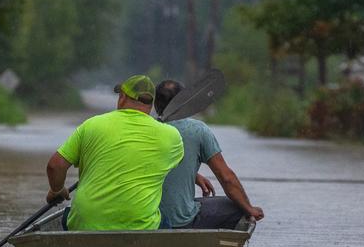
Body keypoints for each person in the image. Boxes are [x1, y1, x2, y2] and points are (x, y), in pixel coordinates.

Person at [45, 74, 184, 230]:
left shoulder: (92, 125)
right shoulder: (172, 136)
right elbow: (176, 167)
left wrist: (56, 190)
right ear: (150, 105)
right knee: (167, 223)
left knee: (69, 216)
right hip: (141, 228)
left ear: (123, 97)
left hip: (85, 225)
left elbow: (55, 166)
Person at [154, 79, 264, 229]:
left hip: (148, 219)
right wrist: (249, 208)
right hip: (181, 221)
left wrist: (193, 175)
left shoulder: (146, 130)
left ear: (155, 104)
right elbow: (226, 178)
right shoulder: (197, 130)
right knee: (238, 207)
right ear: (184, 101)